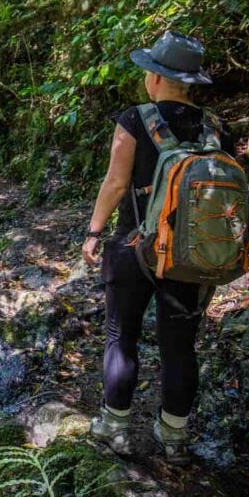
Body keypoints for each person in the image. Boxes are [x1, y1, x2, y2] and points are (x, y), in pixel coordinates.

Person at [81, 31, 236, 464]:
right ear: (190, 83)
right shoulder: (217, 128)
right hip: (192, 254)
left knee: (121, 336)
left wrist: (93, 232)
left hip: (136, 248)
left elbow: (116, 183)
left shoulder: (135, 120)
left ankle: (115, 428)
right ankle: (174, 437)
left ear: (156, 77)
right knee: (180, 345)